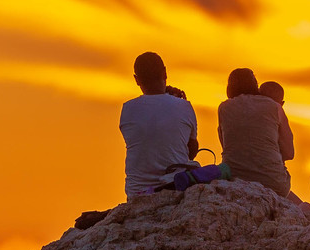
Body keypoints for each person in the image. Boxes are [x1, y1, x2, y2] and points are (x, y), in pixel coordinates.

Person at [119, 52, 199, 198]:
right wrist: (175, 101)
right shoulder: (184, 106)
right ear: (165, 73)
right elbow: (190, 151)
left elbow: (149, 142)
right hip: (174, 189)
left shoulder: (127, 109)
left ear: (136, 80)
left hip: (138, 194)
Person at [217, 68, 293, 196]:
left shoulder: (224, 108)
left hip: (234, 179)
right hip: (275, 184)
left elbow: (226, 146)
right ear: (255, 85)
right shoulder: (274, 106)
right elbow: (289, 153)